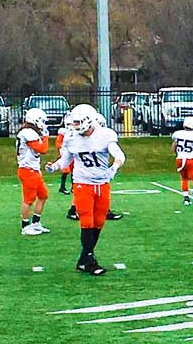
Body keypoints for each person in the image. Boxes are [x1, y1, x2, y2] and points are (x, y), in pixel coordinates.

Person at [46, 104, 126, 276]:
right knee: (87, 221)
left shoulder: (105, 135)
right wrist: (55, 166)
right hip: (82, 183)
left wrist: (114, 168)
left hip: (102, 183)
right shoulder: (72, 138)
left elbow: (119, 155)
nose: (74, 126)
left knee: (99, 222)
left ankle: (83, 258)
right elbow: (65, 159)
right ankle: (90, 261)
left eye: (77, 122)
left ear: (88, 121)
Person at [16, 108, 51, 236]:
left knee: (43, 195)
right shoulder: (28, 132)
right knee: (28, 200)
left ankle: (36, 223)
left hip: (33, 170)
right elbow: (42, 149)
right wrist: (46, 136)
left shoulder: (29, 132)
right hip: (27, 170)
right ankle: (25, 226)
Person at [172, 117, 193, 206]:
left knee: (184, 178)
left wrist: (179, 153)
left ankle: (186, 198)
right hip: (191, 159)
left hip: (180, 159)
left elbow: (173, 148)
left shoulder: (178, 134)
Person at [56, 115, 74, 195]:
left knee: (75, 170)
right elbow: (58, 143)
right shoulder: (63, 132)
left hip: (72, 153)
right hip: (65, 153)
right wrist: (62, 153)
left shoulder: (75, 132)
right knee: (66, 171)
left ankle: (74, 187)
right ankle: (62, 187)